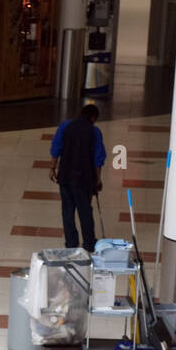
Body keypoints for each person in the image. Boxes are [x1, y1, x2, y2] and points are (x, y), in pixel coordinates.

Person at [49, 102, 107, 254]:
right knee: (85, 212)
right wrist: (98, 179)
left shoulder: (65, 126)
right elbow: (98, 159)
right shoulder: (94, 132)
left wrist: (52, 168)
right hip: (84, 180)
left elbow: (56, 148)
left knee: (67, 211)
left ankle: (71, 243)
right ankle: (88, 243)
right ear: (94, 118)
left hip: (65, 177)